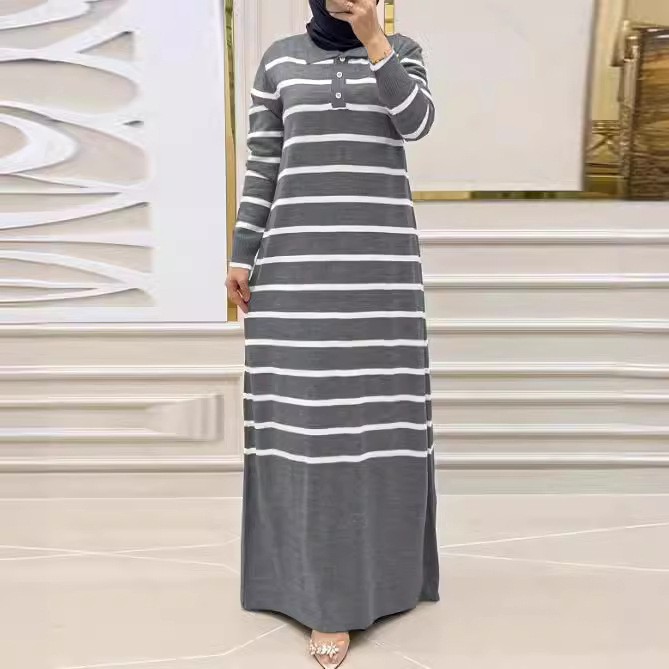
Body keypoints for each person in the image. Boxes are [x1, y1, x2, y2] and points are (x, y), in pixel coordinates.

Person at [225, 0, 439, 665]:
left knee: (375, 423)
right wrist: (241, 253)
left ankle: (383, 579)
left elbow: (416, 122)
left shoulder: (403, 51)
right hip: (295, 272)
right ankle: (318, 593)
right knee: (307, 432)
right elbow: (263, 163)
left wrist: (374, 39)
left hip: (380, 276)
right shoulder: (278, 61)